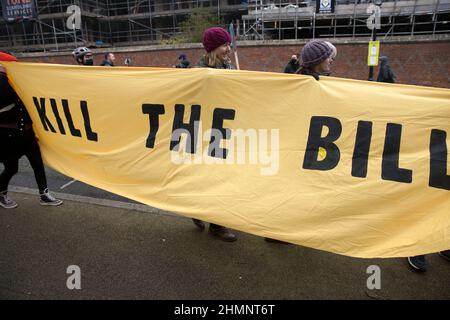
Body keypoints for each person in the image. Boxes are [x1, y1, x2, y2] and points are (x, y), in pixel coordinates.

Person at [0, 52, 63, 208]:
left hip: (26, 133)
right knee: (11, 168)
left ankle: (44, 194)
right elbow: (4, 96)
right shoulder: (4, 81)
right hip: (8, 135)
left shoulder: (15, 82)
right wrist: (2, 75)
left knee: (37, 163)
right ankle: (1, 193)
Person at [192, 27, 237, 242]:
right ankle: (216, 224)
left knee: (222, 176)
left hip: (224, 128)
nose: (228, 49)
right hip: (206, 131)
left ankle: (200, 210)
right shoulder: (199, 71)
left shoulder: (227, 66)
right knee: (211, 176)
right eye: (224, 45)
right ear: (212, 48)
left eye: (229, 45)